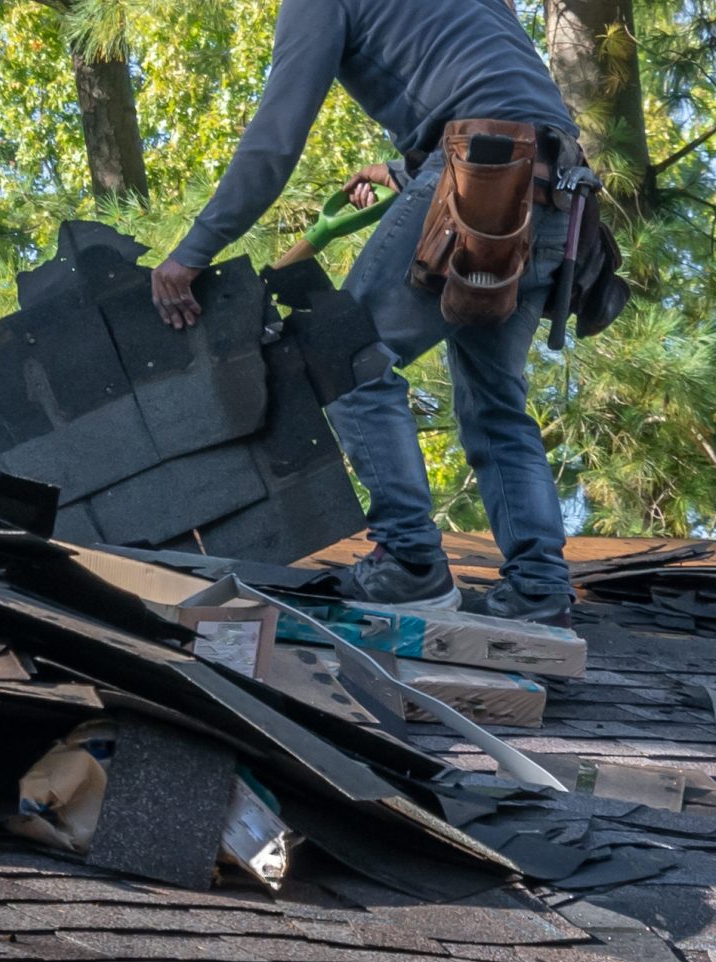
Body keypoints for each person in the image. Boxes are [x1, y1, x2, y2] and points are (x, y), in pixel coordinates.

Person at [149, 0, 580, 625]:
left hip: (481, 173)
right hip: (560, 194)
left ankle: (408, 564)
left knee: (345, 355)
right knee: (495, 403)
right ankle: (540, 587)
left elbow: (274, 141)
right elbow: (500, 92)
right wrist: (408, 166)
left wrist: (192, 254)